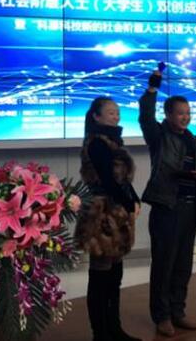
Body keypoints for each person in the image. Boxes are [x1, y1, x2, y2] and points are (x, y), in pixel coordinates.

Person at [139, 69, 196, 337]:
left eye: (188, 112)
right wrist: (152, 89)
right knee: (164, 265)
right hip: (166, 207)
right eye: (180, 113)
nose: (186, 117)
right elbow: (145, 117)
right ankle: (162, 316)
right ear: (168, 115)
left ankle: (178, 311)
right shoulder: (159, 136)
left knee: (183, 265)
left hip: (190, 209)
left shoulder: (193, 140)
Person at [75, 97, 142, 341]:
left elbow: (123, 181)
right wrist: (128, 203)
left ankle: (115, 329)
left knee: (114, 277)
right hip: (101, 215)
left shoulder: (113, 141)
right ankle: (100, 334)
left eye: (117, 112)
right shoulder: (96, 143)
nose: (116, 116)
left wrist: (134, 199)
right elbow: (108, 180)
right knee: (100, 278)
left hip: (117, 214)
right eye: (111, 112)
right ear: (96, 116)